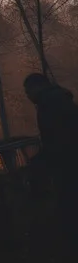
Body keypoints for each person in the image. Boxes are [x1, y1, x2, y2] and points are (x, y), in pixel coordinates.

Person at [24, 72, 78, 251]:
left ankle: (69, 247)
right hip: (67, 157)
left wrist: (41, 160)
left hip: (67, 160)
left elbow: (57, 137)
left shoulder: (49, 104)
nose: (27, 96)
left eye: (28, 91)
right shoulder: (58, 99)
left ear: (37, 87)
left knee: (68, 200)